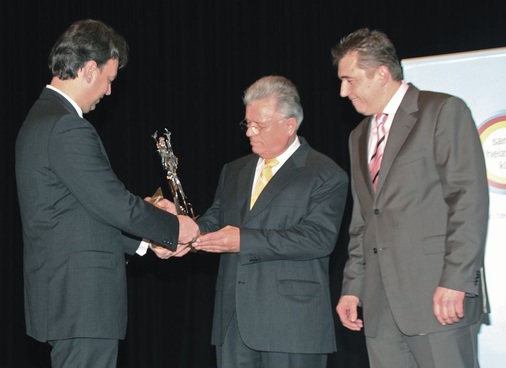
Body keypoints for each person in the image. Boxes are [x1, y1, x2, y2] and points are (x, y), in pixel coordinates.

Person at [15, 19, 199, 368]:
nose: (109, 91)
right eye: (109, 80)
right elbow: (114, 203)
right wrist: (175, 229)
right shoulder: (66, 126)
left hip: (66, 300)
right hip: (82, 301)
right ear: (88, 70)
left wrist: (145, 244)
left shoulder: (40, 119)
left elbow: (82, 213)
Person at [331, 28, 489, 367]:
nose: (344, 91)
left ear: (381, 74)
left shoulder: (443, 111)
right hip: (379, 304)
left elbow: (467, 201)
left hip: (437, 296)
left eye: (350, 80)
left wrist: (455, 281)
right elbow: (363, 220)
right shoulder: (359, 136)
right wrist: (352, 286)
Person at [192, 75, 349, 368]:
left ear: (290, 125)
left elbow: (318, 238)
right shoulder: (234, 170)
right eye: (247, 124)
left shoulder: (325, 173)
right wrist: (182, 230)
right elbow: (214, 222)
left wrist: (243, 240)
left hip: (291, 325)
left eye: (259, 125)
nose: (250, 132)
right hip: (233, 323)